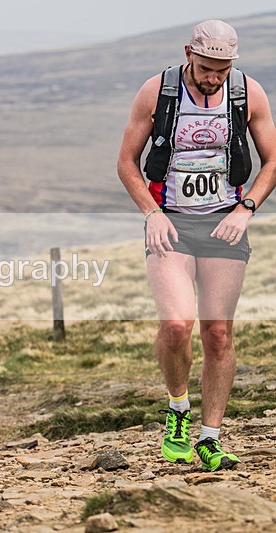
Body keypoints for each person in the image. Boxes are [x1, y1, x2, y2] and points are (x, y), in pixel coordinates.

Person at [118, 20, 276, 471]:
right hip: (170, 223)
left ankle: (210, 436)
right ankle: (177, 409)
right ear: (189, 53)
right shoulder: (158, 91)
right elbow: (127, 163)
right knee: (175, 323)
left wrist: (246, 207)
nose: (213, 78)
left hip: (224, 224)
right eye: (207, 68)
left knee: (219, 333)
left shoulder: (249, 94)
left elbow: (272, 160)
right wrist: (152, 213)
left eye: (222, 71)